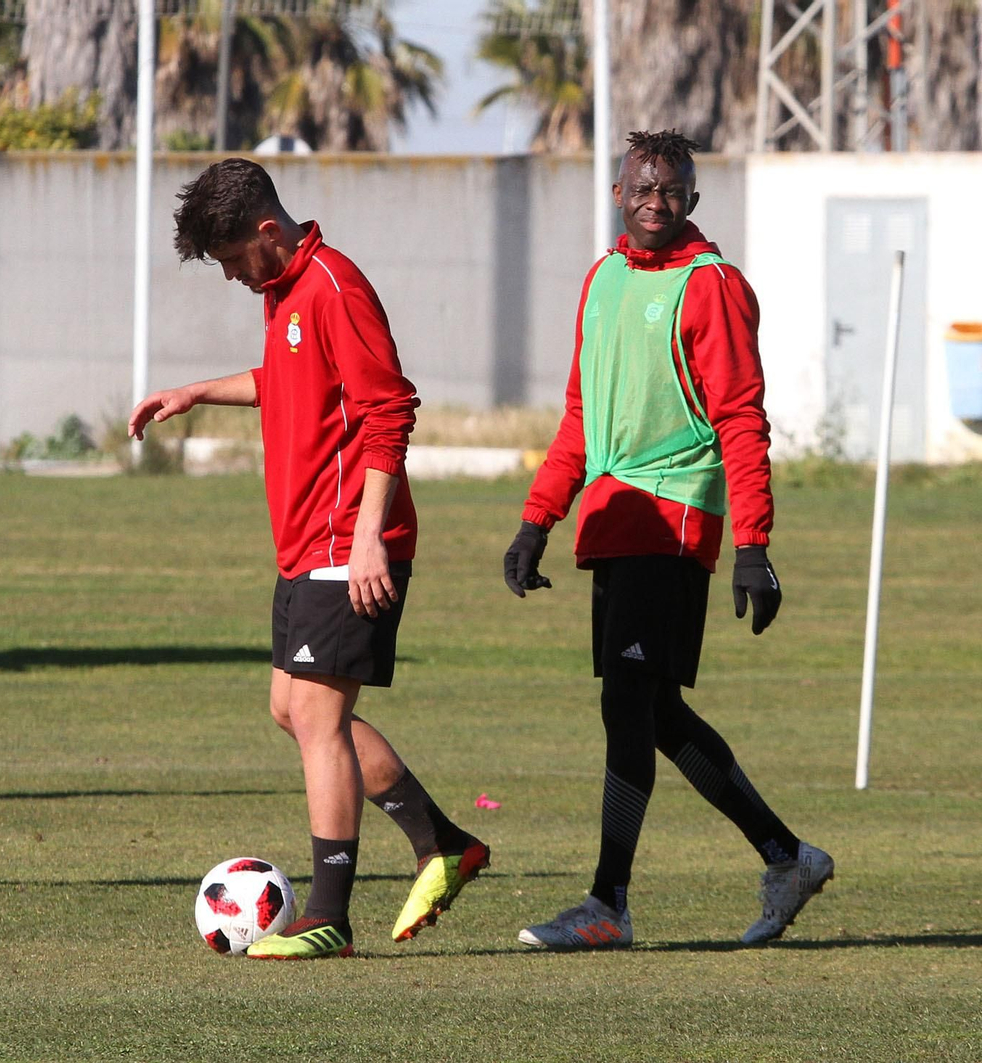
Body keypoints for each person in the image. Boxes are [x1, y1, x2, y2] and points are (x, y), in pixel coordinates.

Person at [130, 159, 489, 960]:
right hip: (305, 543)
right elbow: (289, 382)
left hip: (345, 540)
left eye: (230, 260)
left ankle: (328, 916)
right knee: (291, 709)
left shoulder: (334, 283)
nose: (229, 277)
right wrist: (194, 393)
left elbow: (389, 409)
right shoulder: (283, 293)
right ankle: (444, 843)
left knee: (319, 719)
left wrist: (368, 537)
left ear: (267, 231)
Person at [504, 130, 833, 949]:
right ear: (619, 192)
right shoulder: (604, 278)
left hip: (676, 518)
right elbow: (583, 415)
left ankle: (607, 902)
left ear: (693, 199)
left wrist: (752, 544)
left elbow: (740, 418)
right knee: (651, 709)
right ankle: (786, 856)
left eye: (674, 190)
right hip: (613, 524)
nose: (658, 201)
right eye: (644, 187)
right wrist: (536, 518)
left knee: (628, 701)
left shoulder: (711, 284)